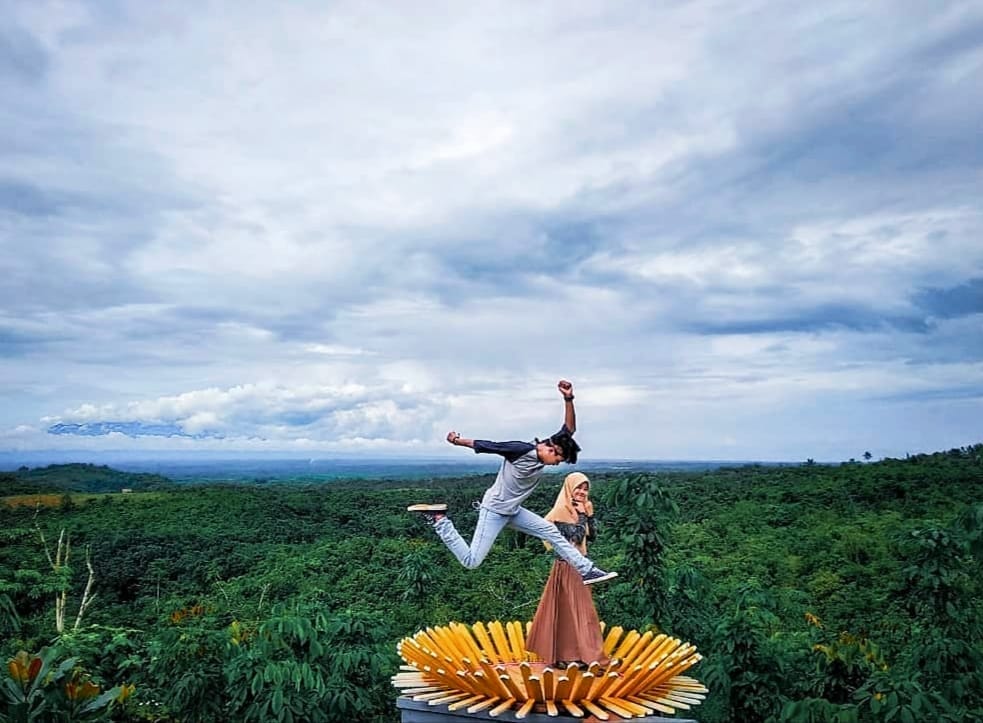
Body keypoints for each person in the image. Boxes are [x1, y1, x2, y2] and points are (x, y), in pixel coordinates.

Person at [408, 380, 617, 585]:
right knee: (471, 561)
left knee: (550, 531)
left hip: (513, 511)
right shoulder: (520, 450)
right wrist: (456, 440)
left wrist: (568, 398)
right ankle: (439, 519)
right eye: (558, 460)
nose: (556, 464)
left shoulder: (555, 444)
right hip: (495, 510)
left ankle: (586, 570)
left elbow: (569, 429)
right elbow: (488, 445)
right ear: (551, 449)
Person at [526, 472, 610, 668]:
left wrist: (589, 515)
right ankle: (593, 659)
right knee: (584, 612)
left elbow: (592, 537)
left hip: (578, 566)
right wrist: (582, 514)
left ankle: (569, 656)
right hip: (569, 567)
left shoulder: (577, 509)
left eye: (586, 488)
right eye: (578, 487)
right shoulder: (561, 510)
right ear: (569, 488)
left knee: (566, 612)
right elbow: (576, 537)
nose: (582, 492)